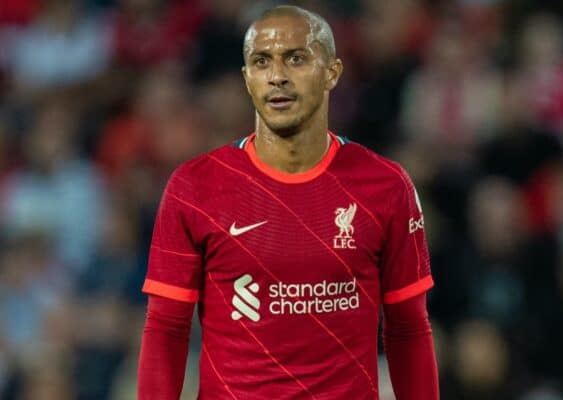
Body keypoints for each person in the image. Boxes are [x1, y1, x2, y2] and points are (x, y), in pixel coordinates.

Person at [138, 5, 439, 399]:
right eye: (262, 62)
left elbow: (408, 327)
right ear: (247, 79)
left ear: (332, 72)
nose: (277, 76)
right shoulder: (194, 187)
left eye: (296, 58)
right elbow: (166, 328)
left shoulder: (385, 186)